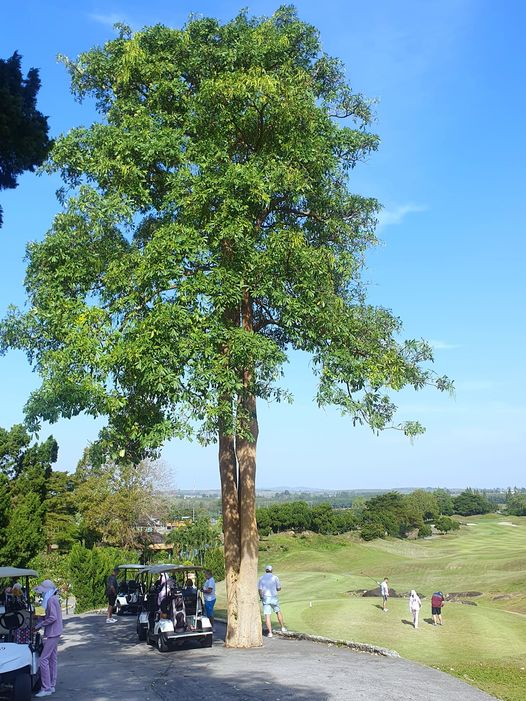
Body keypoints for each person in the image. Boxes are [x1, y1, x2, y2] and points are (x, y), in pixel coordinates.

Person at [34, 579, 63, 697]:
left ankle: (45, 688)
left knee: (43, 659)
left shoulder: (50, 600)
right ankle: (51, 685)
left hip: (53, 632)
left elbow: (52, 617)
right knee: (52, 658)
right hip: (56, 631)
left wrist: (40, 624)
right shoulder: (54, 598)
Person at [258, 564, 287, 638]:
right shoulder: (275, 577)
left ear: (266, 570)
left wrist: (261, 597)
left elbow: (260, 589)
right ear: (271, 570)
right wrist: (277, 589)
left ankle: (270, 633)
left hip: (265, 598)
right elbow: (279, 588)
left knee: (267, 615)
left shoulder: (261, 578)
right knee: (278, 611)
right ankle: (283, 628)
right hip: (273, 597)